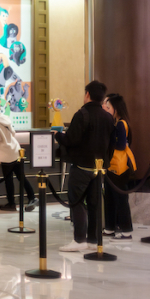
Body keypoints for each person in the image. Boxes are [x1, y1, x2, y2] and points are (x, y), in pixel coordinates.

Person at [54, 81, 116, 252]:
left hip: (81, 167)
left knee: (77, 201)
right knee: (94, 203)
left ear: (87, 94)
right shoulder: (108, 117)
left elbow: (71, 139)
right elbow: (111, 143)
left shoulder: (82, 114)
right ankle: (93, 239)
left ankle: (79, 239)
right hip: (98, 168)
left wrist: (58, 135)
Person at [0, 102, 37, 212]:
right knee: (21, 177)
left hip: (6, 153)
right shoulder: (3, 118)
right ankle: (32, 197)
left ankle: (11, 203)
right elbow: (13, 132)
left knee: (8, 180)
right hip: (15, 150)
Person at [102, 93, 135, 240]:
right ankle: (109, 228)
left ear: (116, 108)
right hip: (112, 167)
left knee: (121, 199)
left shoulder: (121, 123)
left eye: (109, 107)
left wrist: (108, 141)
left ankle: (126, 230)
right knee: (110, 198)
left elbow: (121, 145)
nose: (106, 110)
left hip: (119, 168)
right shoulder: (117, 123)